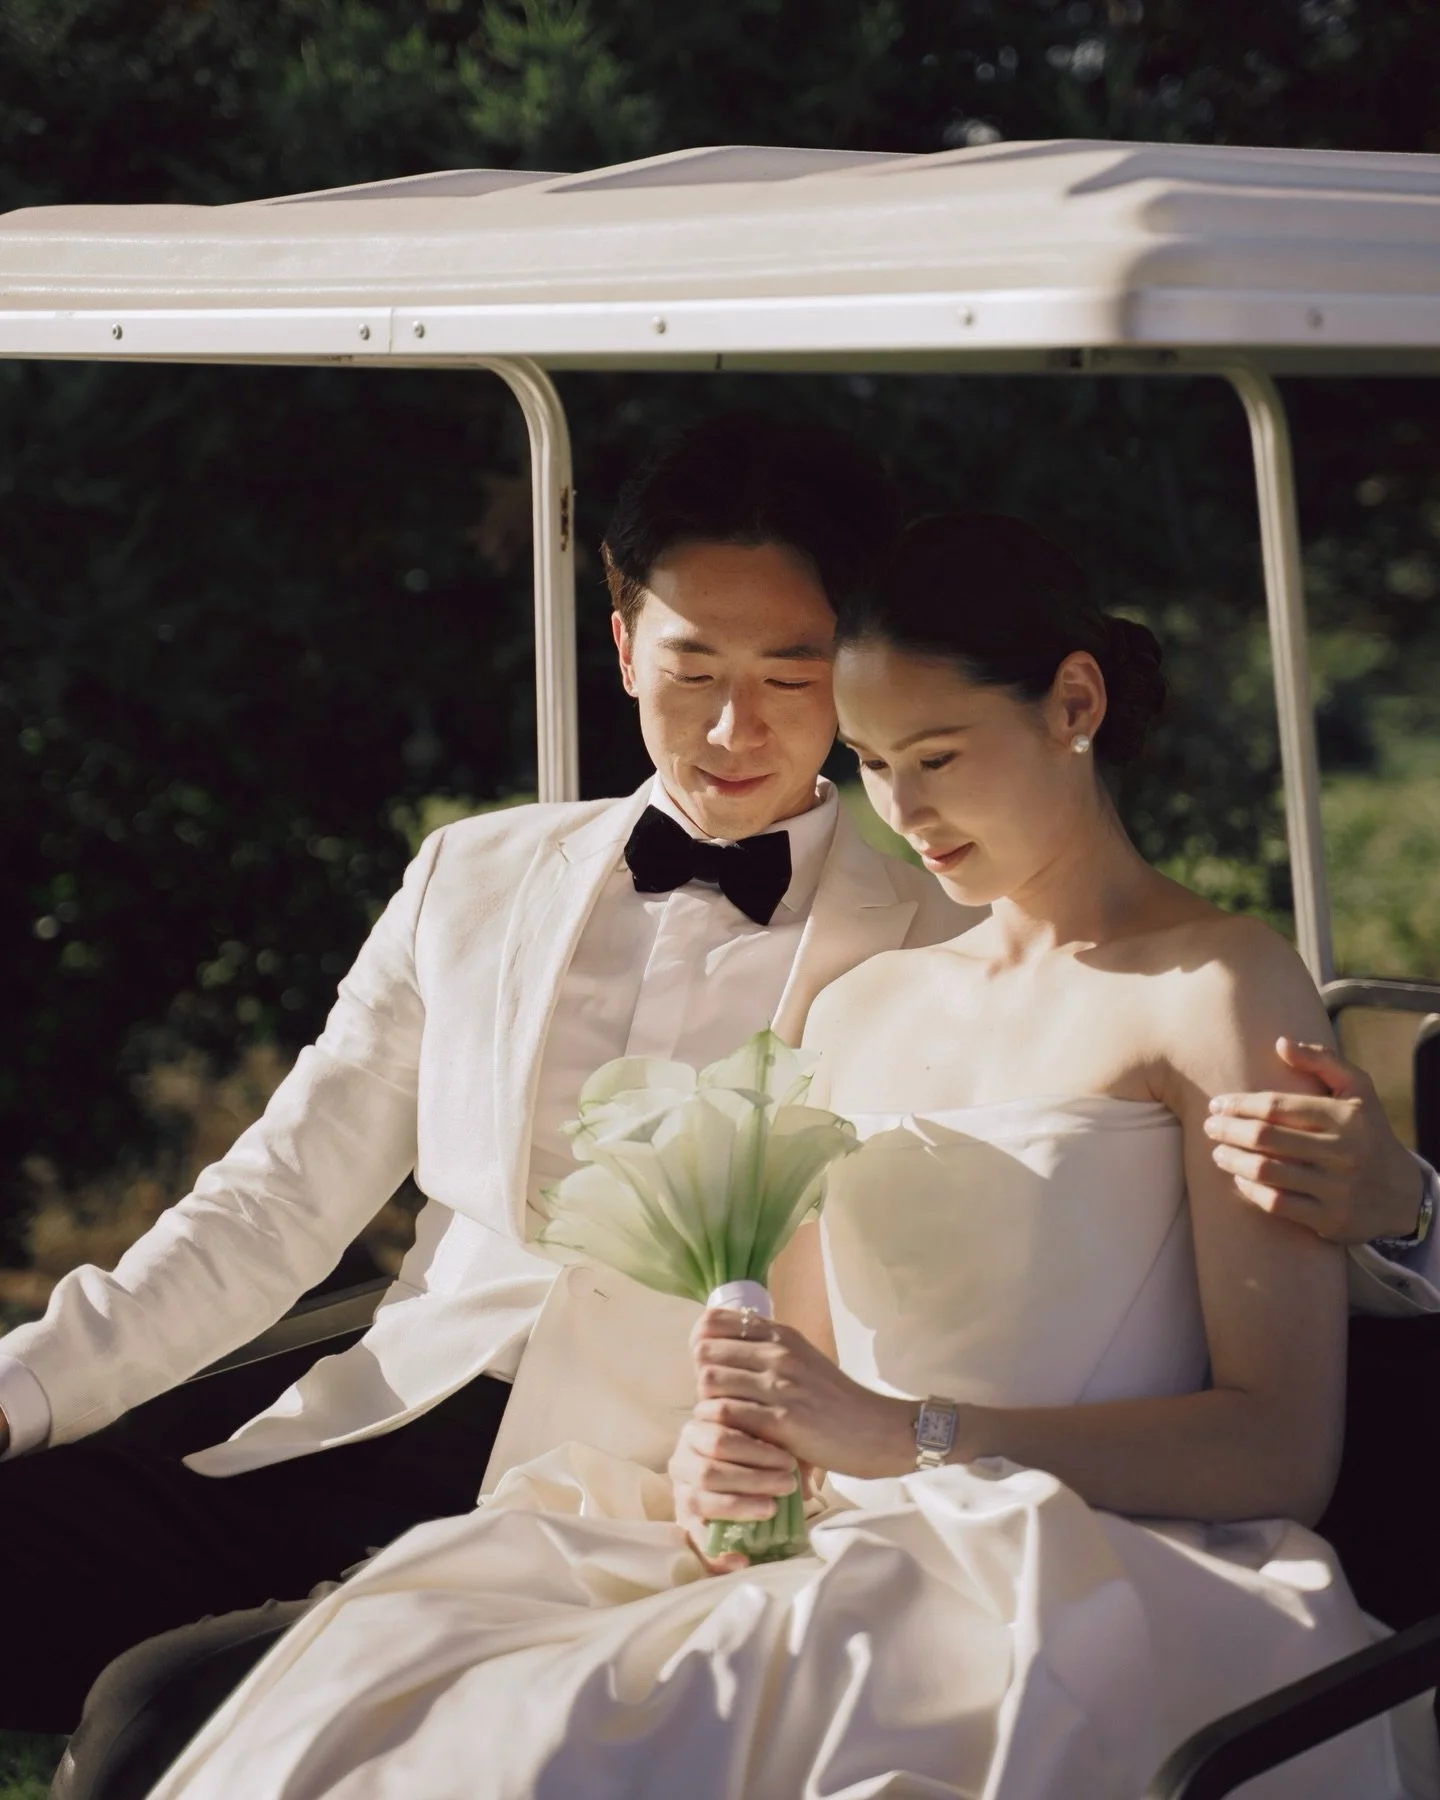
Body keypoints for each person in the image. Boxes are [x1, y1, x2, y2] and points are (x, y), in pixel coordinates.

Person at [141, 514, 1439, 1800]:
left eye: (938, 754)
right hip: (835, 1555)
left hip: (1080, 1575)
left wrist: (908, 1436)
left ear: (1073, 702)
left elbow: (1277, 1448)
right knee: (404, 1701)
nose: (905, 810)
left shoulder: (1216, 987)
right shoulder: (857, 1005)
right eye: (874, 762)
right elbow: (795, 1390)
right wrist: (735, 1462)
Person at [0, 412, 971, 1796]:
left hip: (627, 1511)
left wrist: (1398, 1212)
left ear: (860, 676)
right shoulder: (471, 873)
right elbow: (276, 1202)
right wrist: (22, 1388)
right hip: (362, 1425)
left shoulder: (936, 940)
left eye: (790, 674)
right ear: (625, 641)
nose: (734, 725)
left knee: (152, 1723)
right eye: (692, 666)